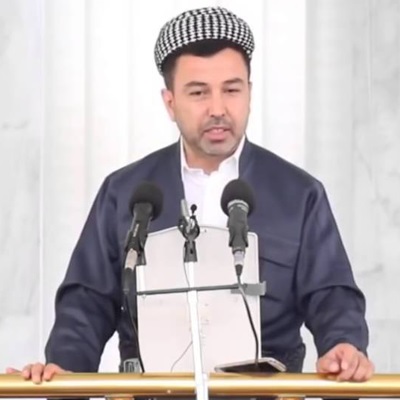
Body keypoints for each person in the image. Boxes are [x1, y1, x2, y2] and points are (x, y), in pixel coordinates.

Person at [7, 6, 374, 387]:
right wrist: (64, 367)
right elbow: (86, 302)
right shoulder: (125, 192)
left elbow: (333, 296)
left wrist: (344, 345)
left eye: (231, 90)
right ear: (170, 103)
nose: (218, 109)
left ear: (250, 93)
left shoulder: (299, 194)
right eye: (199, 93)